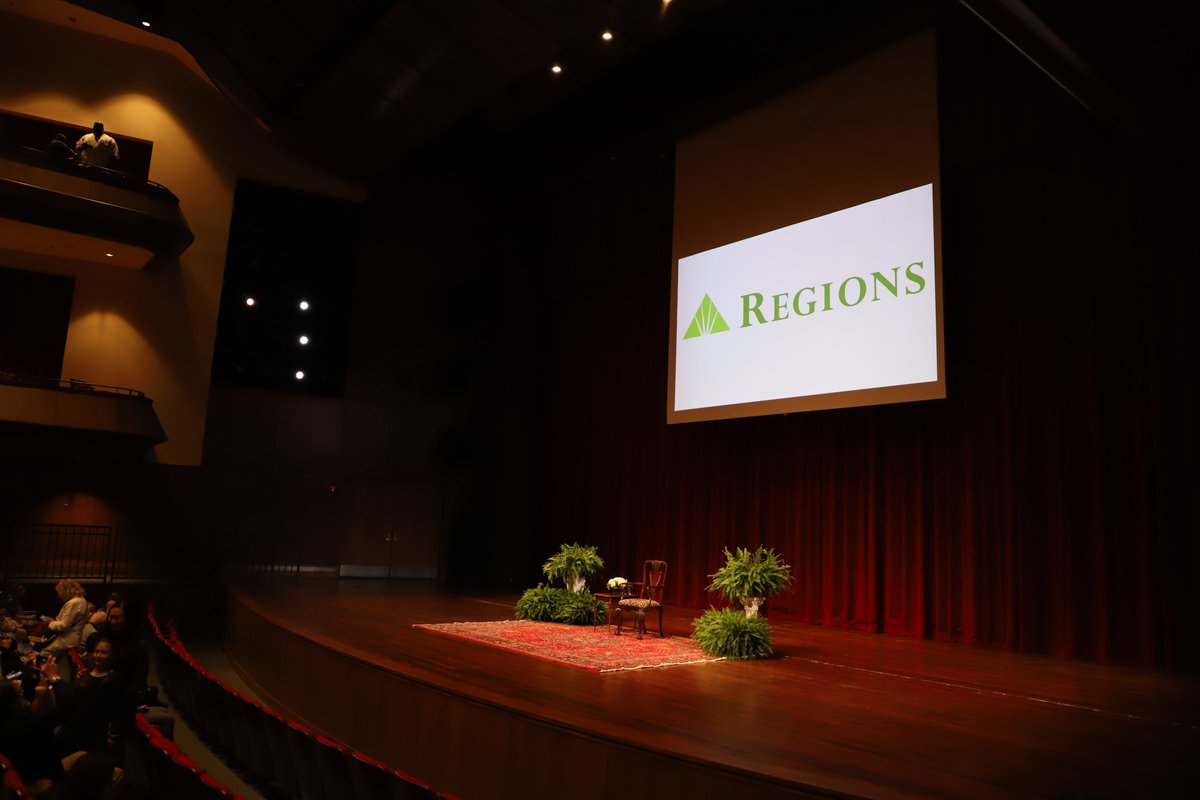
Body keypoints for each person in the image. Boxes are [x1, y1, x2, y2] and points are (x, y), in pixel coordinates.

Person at [40, 580, 88, 681]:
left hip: (65, 640)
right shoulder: (82, 600)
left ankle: (45, 680)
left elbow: (63, 626)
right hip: (72, 640)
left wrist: (50, 623)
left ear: (65, 591)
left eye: (59, 593)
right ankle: (57, 682)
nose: (59, 596)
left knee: (43, 656)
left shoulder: (73, 603)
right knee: (63, 667)